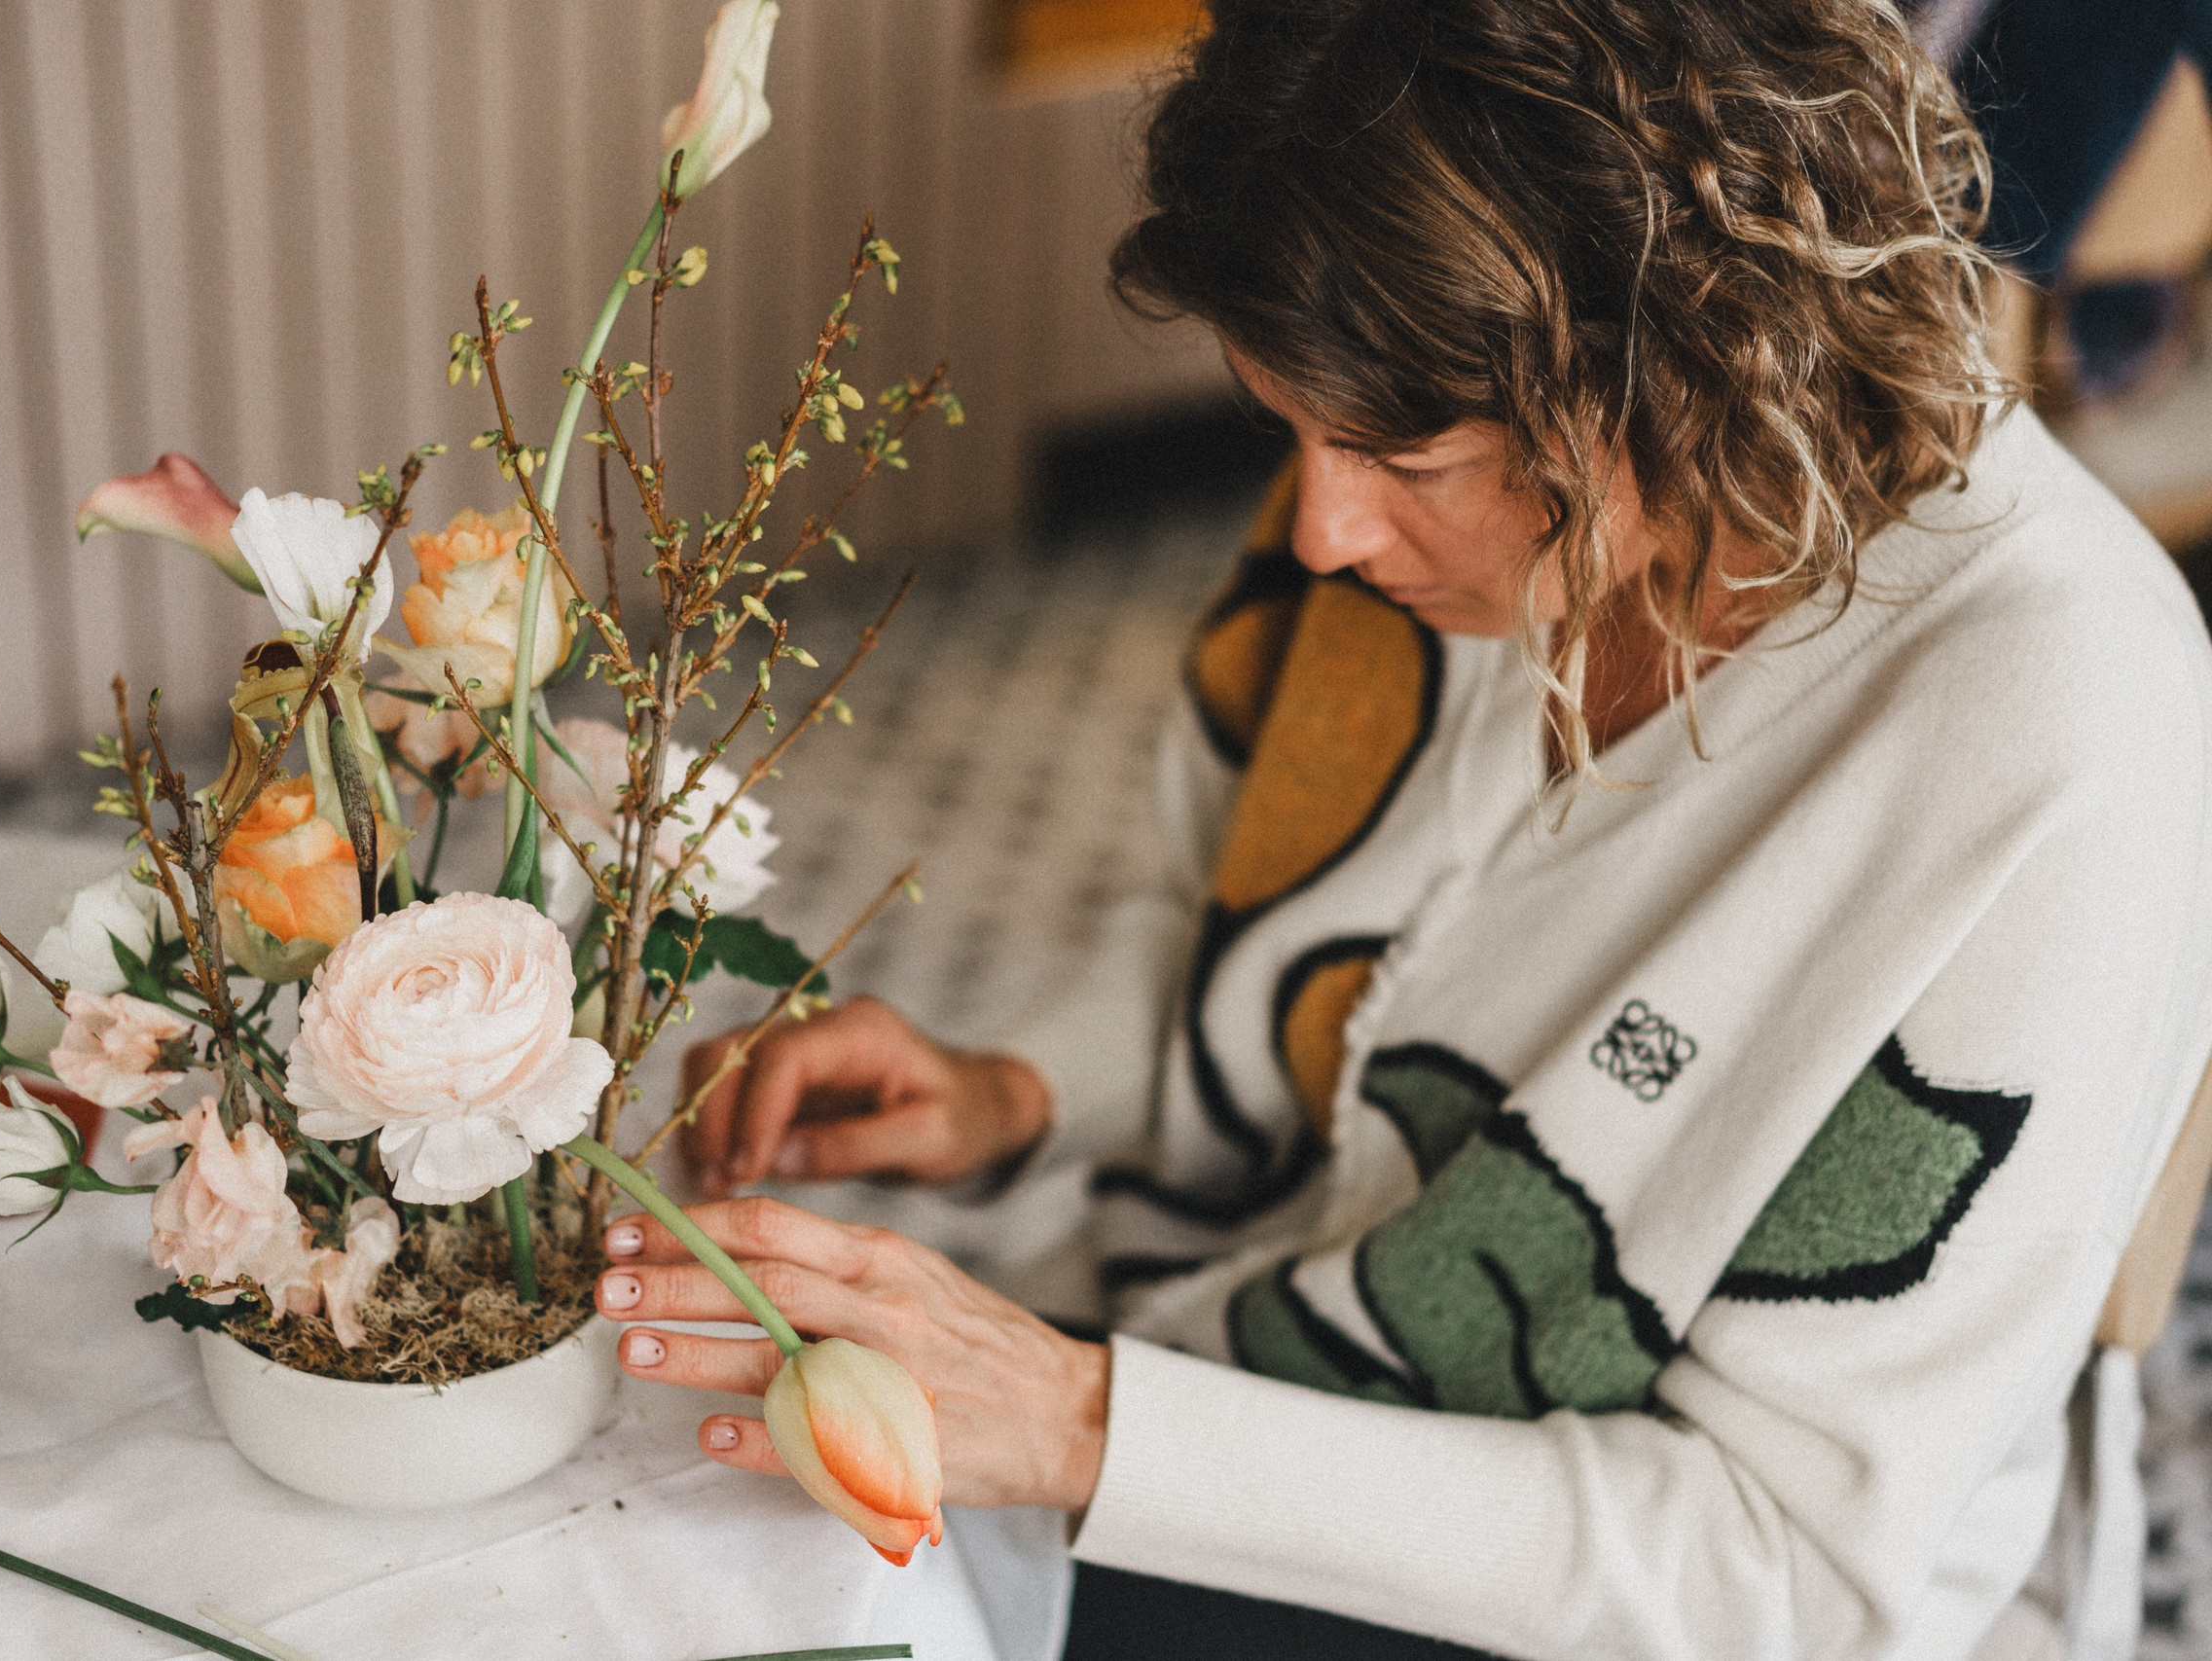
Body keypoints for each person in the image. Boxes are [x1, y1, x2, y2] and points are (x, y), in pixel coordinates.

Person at [592, 1, 2212, 1655]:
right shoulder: (1481, 479)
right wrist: (1014, 1089)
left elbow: (1782, 1569)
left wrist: (1085, 1427)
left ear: (1689, 361)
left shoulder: (2063, 724)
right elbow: (1337, 972)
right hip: (1273, 1359)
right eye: (1293, 436)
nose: (1319, 530)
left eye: (1395, 458)